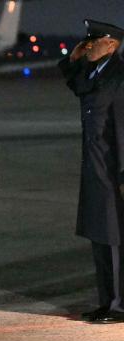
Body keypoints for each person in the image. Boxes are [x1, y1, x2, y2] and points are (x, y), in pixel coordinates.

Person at [58, 20, 124, 324]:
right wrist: (74, 57)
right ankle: (106, 300)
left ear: (111, 44)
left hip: (114, 172)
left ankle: (118, 304)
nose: (89, 46)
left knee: (114, 237)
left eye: (94, 42)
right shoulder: (95, 72)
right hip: (95, 168)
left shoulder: (119, 76)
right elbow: (76, 83)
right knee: (100, 234)